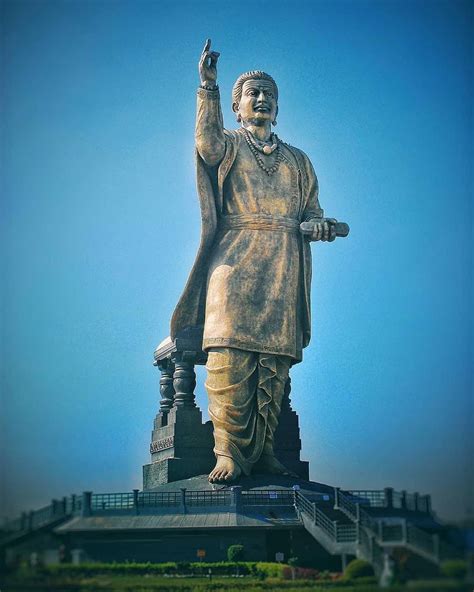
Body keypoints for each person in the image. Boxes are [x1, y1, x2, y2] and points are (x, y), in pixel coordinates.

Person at [171, 40, 337, 483]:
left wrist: (319, 226)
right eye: (253, 93)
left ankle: (263, 451)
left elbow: (312, 212)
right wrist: (208, 87)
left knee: (272, 361)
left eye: (269, 95)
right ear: (237, 106)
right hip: (234, 254)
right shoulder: (228, 145)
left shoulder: (299, 162)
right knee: (227, 353)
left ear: (277, 108)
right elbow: (205, 144)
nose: (262, 99)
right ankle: (227, 451)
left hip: (283, 262)